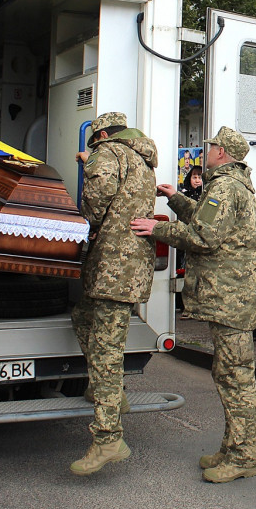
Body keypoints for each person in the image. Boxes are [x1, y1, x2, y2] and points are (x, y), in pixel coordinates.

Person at [131, 126, 256, 483]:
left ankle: (243, 456)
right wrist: (176, 198)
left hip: (231, 298)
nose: (206, 152)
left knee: (235, 377)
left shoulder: (224, 187)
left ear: (222, 152)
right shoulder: (232, 184)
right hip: (233, 296)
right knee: (228, 373)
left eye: (211, 147)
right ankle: (232, 447)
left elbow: (204, 237)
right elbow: (208, 220)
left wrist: (156, 229)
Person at [70, 111, 158, 475]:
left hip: (113, 266)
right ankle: (108, 391)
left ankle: (108, 438)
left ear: (103, 135)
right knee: (83, 317)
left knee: (107, 350)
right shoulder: (142, 158)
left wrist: (89, 164)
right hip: (129, 266)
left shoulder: (107, 153)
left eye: (96, 141)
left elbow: (96, 203)